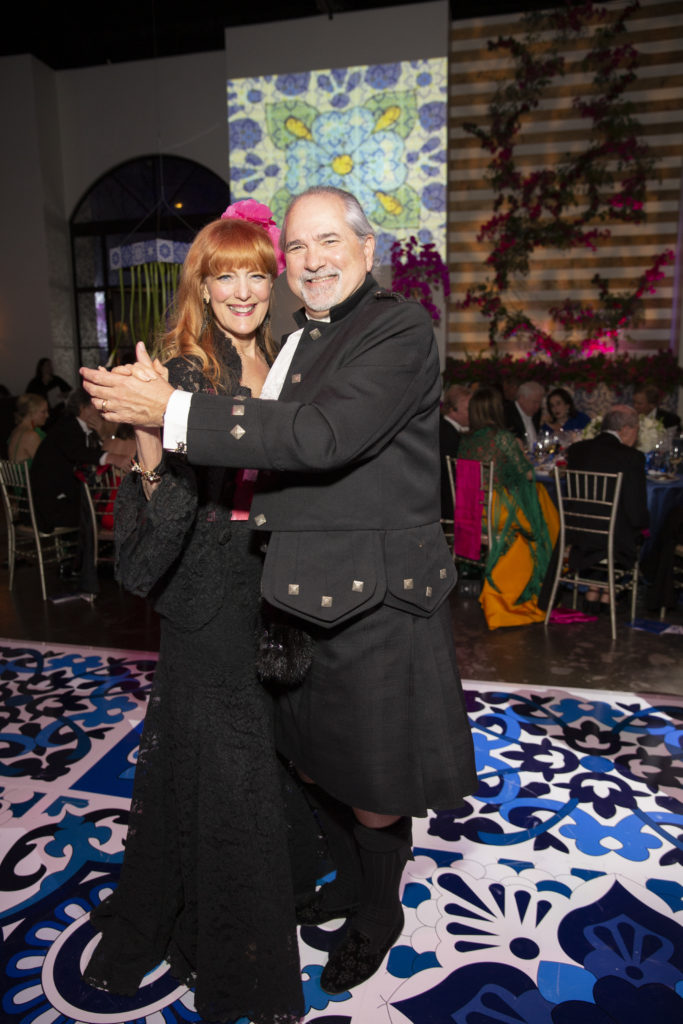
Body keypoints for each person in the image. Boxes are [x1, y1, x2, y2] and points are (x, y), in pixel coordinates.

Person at [80, 185, 478, 997]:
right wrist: (150, 443)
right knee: (305, 763)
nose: (306, 262)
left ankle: (377, 912)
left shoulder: (392, 327)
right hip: (272, 600)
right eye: (294, 248)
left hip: (361, 601)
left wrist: (173, 413)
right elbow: (204, 491)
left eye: (325, 242)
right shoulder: (279, 346)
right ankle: (319, 887)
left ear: (370, 249)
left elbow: (321, 438)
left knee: (367, 776)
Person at [81, 204, 309, 1024]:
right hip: (208, 607)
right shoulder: (183, 372)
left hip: (275, 597)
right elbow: (145, 555)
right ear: (202, 287)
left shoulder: (285, 359)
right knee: (235, 776)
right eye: (225, 275)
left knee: (247, 766)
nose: (242, 289)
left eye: (255, 272)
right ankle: (238, 959)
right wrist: (147, 451)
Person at [458, 386, 559, 629]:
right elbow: (525, 474)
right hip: (496, 511)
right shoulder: (501, 437)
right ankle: (510, 596)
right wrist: (522, 454)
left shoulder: (467, 439)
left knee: (539, 505)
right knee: (538, 520)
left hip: (472, 509)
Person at [566, 405, 649, 611]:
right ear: (626, 430)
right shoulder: (632, 457)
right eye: (637, 430)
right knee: (632, 525)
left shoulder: (576, 450)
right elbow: (636, 512)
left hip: (577, 533)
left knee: (609, 520)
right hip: (612, 538)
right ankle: (609, 592)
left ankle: (596, 589)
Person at [439, 384, 471, 520]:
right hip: (448, 503)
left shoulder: (445, 428)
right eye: (468, 409)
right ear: (453, 409)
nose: (472, 414)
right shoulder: (448, 435)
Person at [7, 393, 49, 465]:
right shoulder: (30, 435)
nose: (47, 415)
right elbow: (45, 464)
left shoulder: (16, 431)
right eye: (43, 412)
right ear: (30, 413)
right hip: (29, 475)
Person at [504, 380, 545, 451]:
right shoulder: (507, 414)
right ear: (522, 399)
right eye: (535, 402)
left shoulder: (536, 413)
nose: (537, 406)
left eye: (539, 403)